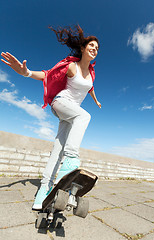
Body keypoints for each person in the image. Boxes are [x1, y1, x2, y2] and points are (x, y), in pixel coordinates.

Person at [1, 25, 101, 210]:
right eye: (91, 45)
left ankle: (43, 192)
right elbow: (48, 75)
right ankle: (71, 160)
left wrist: (96, 100)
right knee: (84, 116)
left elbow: (90, 88)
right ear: (82, 48)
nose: (95, 49)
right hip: (61, 103)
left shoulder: (91, 74)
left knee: (58, 149)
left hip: (70, 114)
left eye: (97, 47)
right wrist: (27, 72)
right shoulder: (72, 66)